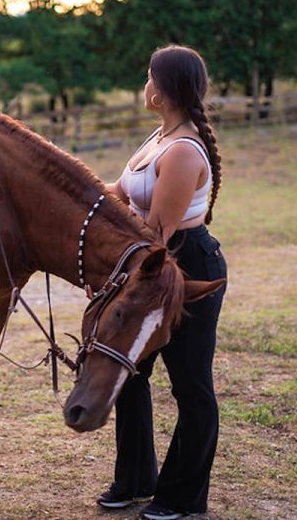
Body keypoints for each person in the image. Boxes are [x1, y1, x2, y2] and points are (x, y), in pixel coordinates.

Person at [96, 45, 227, 520]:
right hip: (152, 263)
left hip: (187, 266)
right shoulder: (158, 137)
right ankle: (135, 482)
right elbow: (118, 193)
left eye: (149, 76)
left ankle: (181, 497)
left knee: (191, 386)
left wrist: (113, 261)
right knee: (131, 375)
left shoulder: (184, 150)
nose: (143, 84)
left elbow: (157, 232)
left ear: (163, 88)